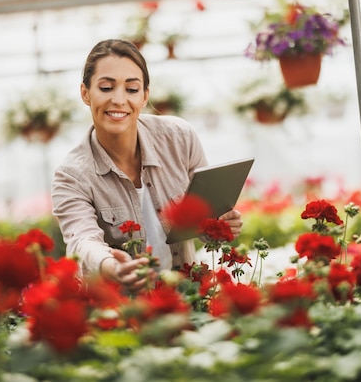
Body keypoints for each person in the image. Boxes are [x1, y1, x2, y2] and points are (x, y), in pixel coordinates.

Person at [51, 39, 243, 292]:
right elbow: (82, 240)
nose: (119, 100)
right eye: (106, 87)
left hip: (188, 296)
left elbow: (205, 215)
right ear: (85, 94)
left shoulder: (180, 138)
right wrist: (109, 264)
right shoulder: (71, 176)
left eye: (131, 89)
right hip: (123, 310)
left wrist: (221, 225)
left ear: (144, 96)